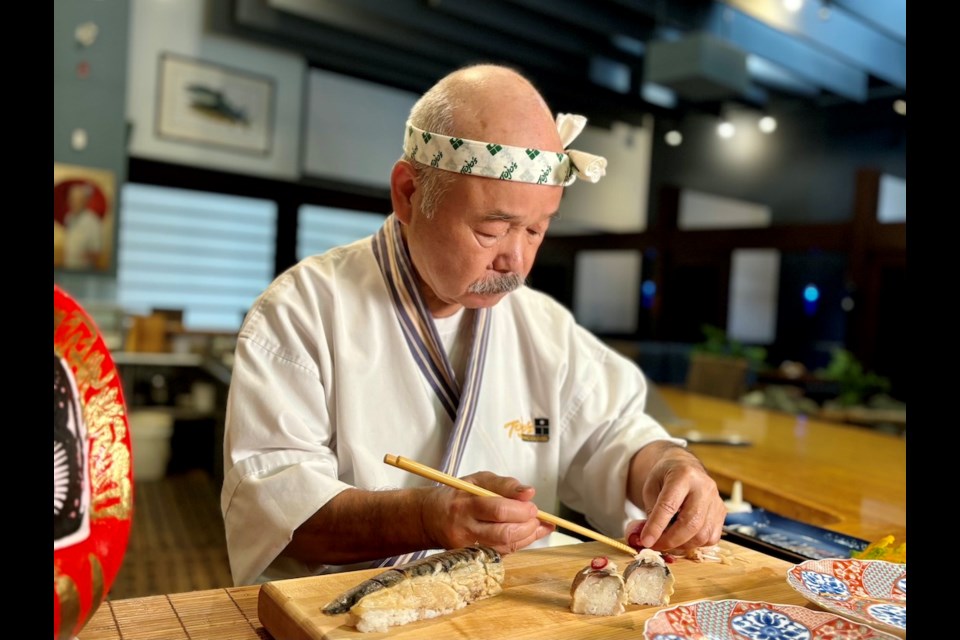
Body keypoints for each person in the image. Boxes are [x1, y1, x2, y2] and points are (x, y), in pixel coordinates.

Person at [221, 64, 725, 586]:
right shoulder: (300, 313)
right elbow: (278, 511)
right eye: (492, 228)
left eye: (535, 230)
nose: (516, 260)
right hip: (334, 617)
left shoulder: (543, 328)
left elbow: (615, 439)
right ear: (409, 195)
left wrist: (669, 469)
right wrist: (426, 518)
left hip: (500, 615)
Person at [62, 183, 103, 269]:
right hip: (68, 268)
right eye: (71, 199)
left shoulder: (93, 222)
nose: (72, 203)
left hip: (84, 272)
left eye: (76, 200)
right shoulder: (69, 218)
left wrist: (80, 256)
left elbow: (96, 253)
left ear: (85, 202)